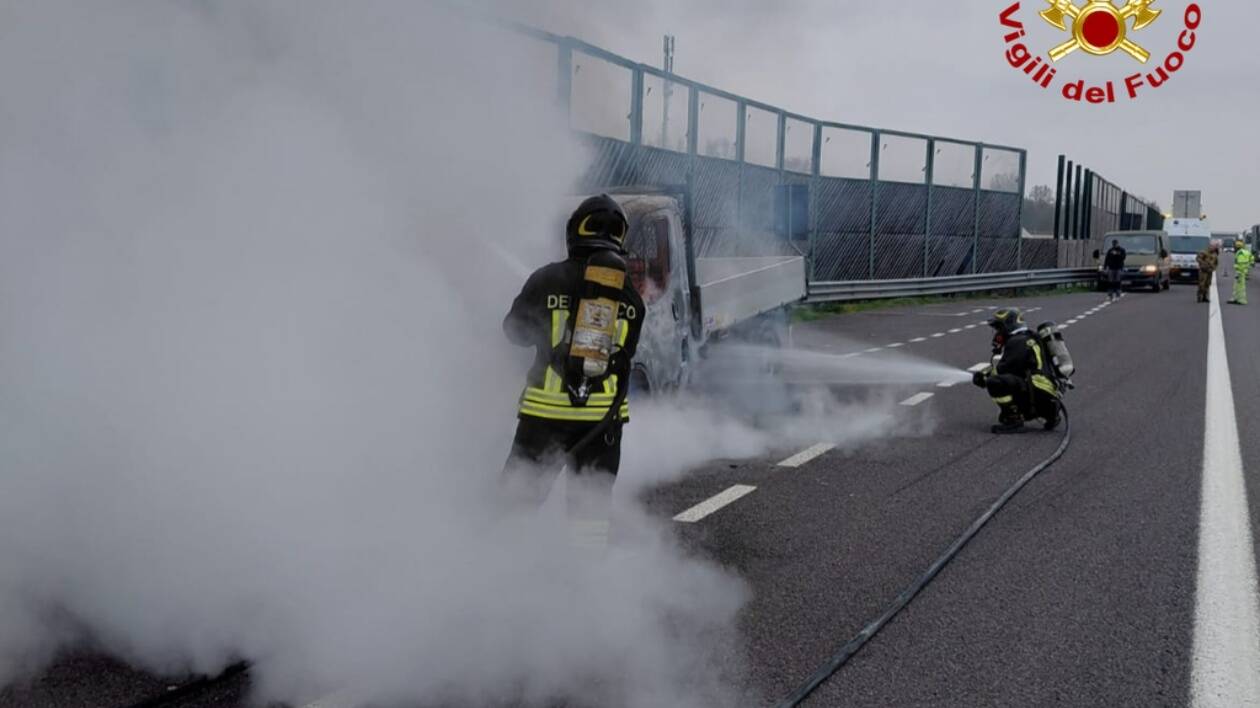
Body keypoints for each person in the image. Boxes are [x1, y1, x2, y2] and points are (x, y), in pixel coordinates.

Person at [501, 194, 645, 550]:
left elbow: (513, 332)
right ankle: (585, 585)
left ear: (575, 232)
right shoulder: (630, 298)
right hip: (603, 424)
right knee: (589, 514)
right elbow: (626, 357)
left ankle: (499, 576)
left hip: (544, 417)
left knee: (514, 505)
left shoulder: (546, 279)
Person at [971, 308, 1061, 434]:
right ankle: (1050, 413)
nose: (997, 333)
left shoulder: (1017, 342)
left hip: (1038, 390)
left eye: (999, 328)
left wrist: (983, 378)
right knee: (1009, 380)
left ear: (1008, 325)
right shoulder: (1029, 336)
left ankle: (1013, 419)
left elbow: (1003, 370)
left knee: (994, 382)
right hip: (1046, 390)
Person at [1229, 239, 1254, 305]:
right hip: (1243, 272)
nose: (1234, 248)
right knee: (1237, 286)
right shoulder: (1246, 252)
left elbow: (1240, 264)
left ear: (1237, 247)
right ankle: (1235, 298)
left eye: (1235, 246)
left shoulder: (1240, 253)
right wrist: (1248, 266)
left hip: (1240, 272)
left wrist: (1239, 272)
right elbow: (1252, 259)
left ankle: (1241, 300)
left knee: (1240, 287)